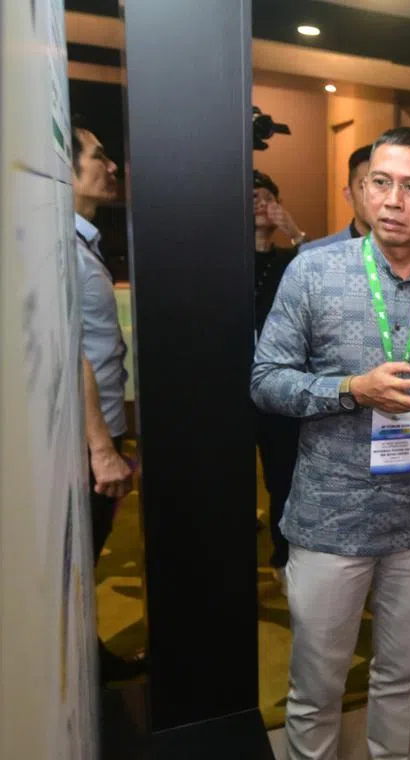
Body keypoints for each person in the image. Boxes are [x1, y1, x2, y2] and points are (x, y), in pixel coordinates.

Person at [251, 127, 410, 760]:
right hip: (331, 517)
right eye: (379, 182)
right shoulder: (315, 271)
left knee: (402, 677)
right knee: (316, 687)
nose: (391, 200)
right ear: (363, 188)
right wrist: (354, 389)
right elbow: (265, 382)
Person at [73, 120, 147, 684]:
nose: (111, 165)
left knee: (88, 553)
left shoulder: (81, 244)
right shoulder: (61, 251)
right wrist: (101, 449)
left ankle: (86, 660)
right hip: (82, 440)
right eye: (98, 156)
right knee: (78, 556)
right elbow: (68, 354)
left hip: (102, 430)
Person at [251, 170, 304, 593]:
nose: (258, 204)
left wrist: (297, 233)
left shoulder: (294, 262)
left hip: (278, 385)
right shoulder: (222, 259)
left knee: (282, 474)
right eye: (249, 197)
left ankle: (282, 552)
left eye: (266, 197)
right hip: (228, 386)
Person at [301, 144, 372, 252]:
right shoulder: (315, 255)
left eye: (382, 184)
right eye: (364, 186)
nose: (375, 196)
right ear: (349, 195)